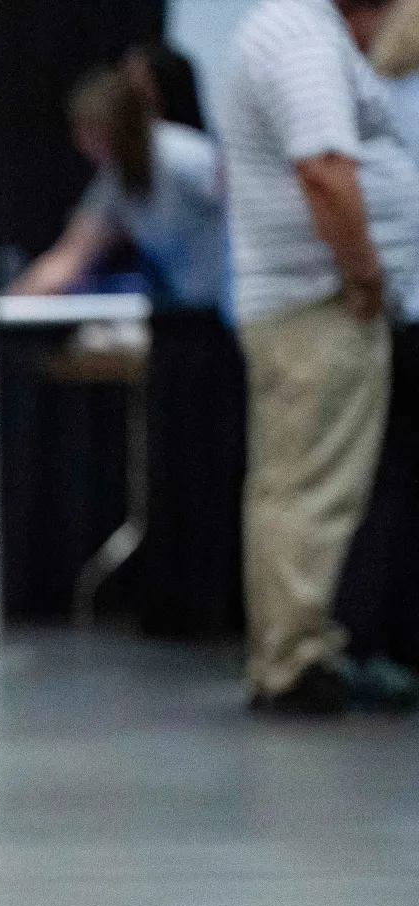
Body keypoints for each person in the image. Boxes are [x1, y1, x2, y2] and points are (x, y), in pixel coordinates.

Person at [220, 0, 419, 714]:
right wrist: (365, 273)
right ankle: (295, 663)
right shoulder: (300, 37)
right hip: (321, 304)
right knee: (309, 492)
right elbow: (325, 172)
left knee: (298, 487)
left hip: (312, 302)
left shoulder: (295, 33)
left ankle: (299, 650)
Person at [12, 64, 230, 313]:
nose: (80, 143)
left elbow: (246, 204)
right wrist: (9, 304)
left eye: (87, 131)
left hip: (234, 304)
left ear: (113, 127)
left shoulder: (181, 156)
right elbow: (70, 257)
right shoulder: (116, 179)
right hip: (192, 310)